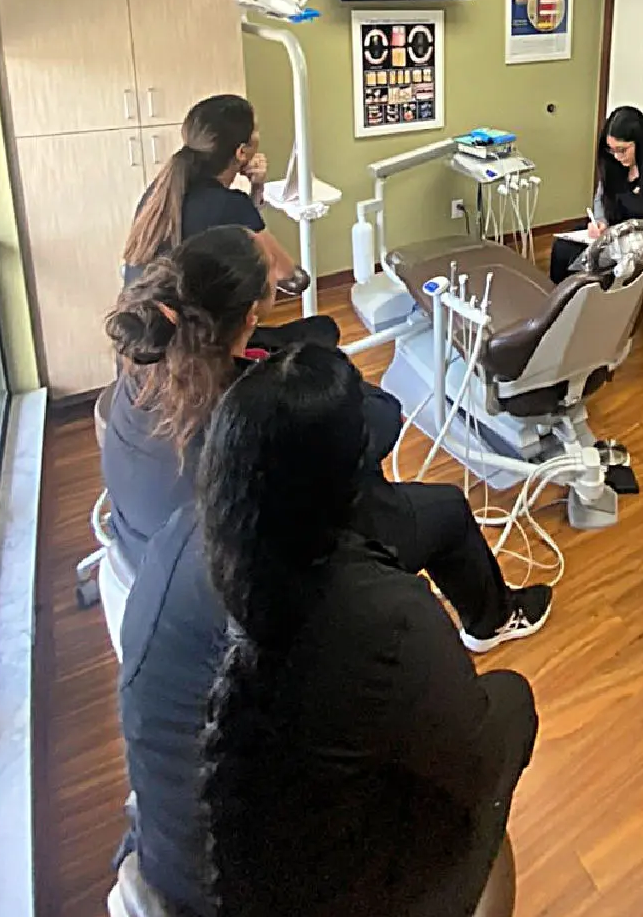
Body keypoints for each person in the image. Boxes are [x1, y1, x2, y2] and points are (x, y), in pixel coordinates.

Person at [196, 344, 538, 917]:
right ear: (351, 476)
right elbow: (475, 759)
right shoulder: (386, 617)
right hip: (349, 889)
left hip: (255, 862)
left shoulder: (225, 557)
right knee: (514, 702)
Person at [104, 225, 551, 650]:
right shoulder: (257, 411)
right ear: (249, 316)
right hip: (246, 587)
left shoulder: (147, 362)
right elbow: (378, 426)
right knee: (447, 509)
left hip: (146, 561)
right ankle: (492, 620)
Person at [121, 93, 334, 352]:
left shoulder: (162, 195)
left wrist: (257, 187)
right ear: (242, 152)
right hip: (193, 351)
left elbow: (237, 227)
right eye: (256, 131)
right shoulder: (229, 205)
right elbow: (292, 280)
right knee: (323, 330)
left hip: (152, 343)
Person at [549, 106, 643, 283]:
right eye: (611, 150)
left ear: (641, 142)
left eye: (622, 150)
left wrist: (633, 237)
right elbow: (602, 197)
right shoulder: (615, 164)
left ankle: (588, 307)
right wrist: (600, 222)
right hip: (612, 233)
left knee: (585, 267)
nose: (616, 156)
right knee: (563, 248)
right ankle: (560, 306)